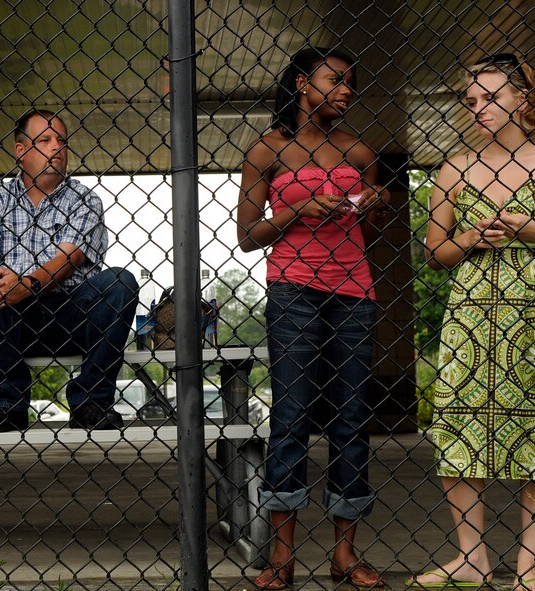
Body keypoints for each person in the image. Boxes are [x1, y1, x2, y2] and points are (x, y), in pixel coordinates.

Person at [410, 53, 535, 591]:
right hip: (472, 317)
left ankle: (527, 566)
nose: (479, 109)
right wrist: (471, 238)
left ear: (523, 98)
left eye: (491, 97)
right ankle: (471, 557)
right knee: (460, 428)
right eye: (471, 101)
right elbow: (435, 251)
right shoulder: (455, 168)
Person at [236, 47, 391, 590]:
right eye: (336, 80)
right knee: (292, 418)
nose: (347, 90)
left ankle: (344, 554)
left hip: (354, 291)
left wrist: (369, 207)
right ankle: (282, 558)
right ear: (303, 83)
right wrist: (296, 210)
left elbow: (367, 237)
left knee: (351, 419)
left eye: (352, 82)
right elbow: (246, 237)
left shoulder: (360, 151)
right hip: (292, 290)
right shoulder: (267, 151)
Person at [0, 110, 137, 433]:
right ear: (21, 150)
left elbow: (68, 260)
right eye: (45, 140)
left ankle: (90, 403)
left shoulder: (83, 198)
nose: (57, 147)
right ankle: (7, 405)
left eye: (61, 141)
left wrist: (23, 284)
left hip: (71, 315)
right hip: (12, 317)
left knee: (121, 281)